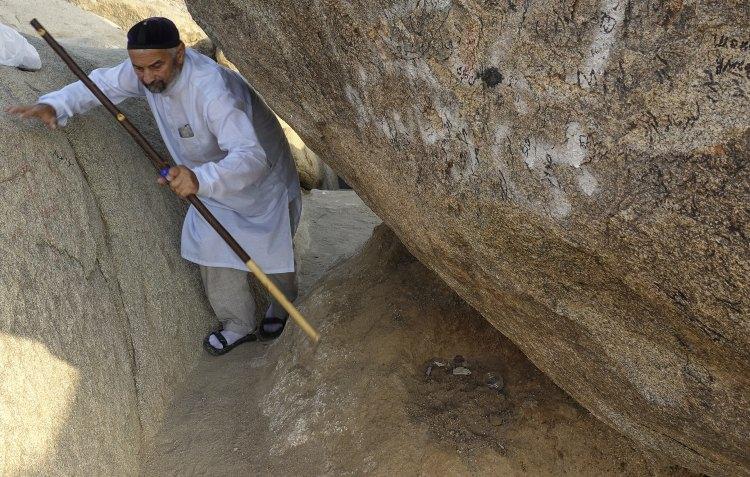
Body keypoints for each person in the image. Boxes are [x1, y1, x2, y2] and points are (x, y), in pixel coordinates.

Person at [6, 17, 302, 355]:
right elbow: (99, 85)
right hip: (207, 181)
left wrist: (198, 178)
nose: (147, 77)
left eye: (155, 66)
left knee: (274, 246)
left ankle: (282, 307)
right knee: (210, 244)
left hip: (261, 178)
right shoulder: (148, 73)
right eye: (139, 68)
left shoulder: (210, 88)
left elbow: (250, 156)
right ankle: (238, 325)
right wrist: (55, 104)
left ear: (179, 53)